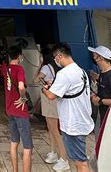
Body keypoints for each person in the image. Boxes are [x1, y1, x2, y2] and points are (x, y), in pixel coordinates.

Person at [42, 43, 94, 172]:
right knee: (79, 160)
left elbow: (51, 96)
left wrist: (45, 89)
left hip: (73, 124)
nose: (55, 60)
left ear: (59, 56)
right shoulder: (81, 71)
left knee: (80, 163)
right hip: (83, 120)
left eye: (55, 57)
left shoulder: (64, 73)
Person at [0, 46, 33, 172]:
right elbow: (21, 86)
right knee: (27, 147)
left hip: (10, 110)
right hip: (20, 112)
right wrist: (23, 98)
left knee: (14, 143)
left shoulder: (5, 68)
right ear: (19, 56)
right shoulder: (19, 69)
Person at [35, 48, 70, 171]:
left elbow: (36, 79)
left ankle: (64, 158)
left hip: (49, 100)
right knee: (51, 128)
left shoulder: (45, 68)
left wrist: (39, 66)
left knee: (54, 129)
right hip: (52, 99)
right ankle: (53, 152)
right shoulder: (54, 67)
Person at [88, 46, 111, 125]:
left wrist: (100, 101)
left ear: (100, 58)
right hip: (103, 115)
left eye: (94, 56)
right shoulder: (103, 73)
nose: (93, 58)